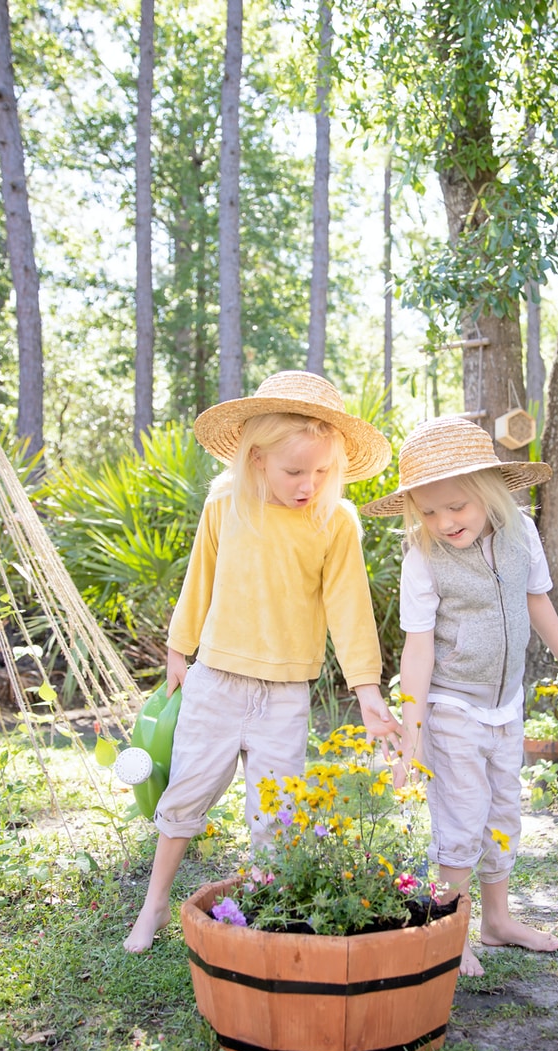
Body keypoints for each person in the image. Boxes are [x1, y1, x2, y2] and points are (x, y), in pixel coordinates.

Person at [123, 371, 398, 953]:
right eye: (294, 472)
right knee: (185, 798)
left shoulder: (335, 520)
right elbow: (200, 576)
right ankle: (153, 907)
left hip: (284, 694)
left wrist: (367, 690)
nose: (308, 484)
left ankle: (270, 920)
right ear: (255, 461)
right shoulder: (226, 501)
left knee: (276, 818)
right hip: (216, 680)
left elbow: (350, 608)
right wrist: (179, 649)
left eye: (321, 472)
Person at [362, 416, 558, 977]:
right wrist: (411, 737)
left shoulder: (522, 534)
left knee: (503, 813)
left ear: (490, 492)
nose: (444, 522)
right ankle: (450, 930)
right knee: (461, 817)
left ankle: (497, 920)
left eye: (457, 506)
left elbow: (538, 602)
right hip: (451, 705)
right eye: (430, 511)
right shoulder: (423, 557)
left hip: (506, 705)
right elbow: (418, 652)